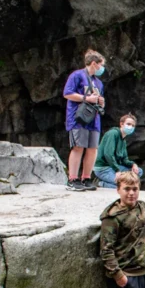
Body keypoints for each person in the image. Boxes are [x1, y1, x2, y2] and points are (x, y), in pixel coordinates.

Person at [63, 49, 106, 191]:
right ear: (94, 63)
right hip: (78, 117)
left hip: (94, 119)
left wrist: (100, 102)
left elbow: (98, 99)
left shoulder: (98, 83)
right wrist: (86, 98)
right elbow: (67, 93)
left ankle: (86, 177)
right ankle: (73, 179)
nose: (102, 68)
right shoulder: (77, 76)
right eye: (101, 65)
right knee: (78, 147)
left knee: (92, 148)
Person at [94, 114, 142, 189]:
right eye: (128, 124)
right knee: (122, 186)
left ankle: (110, 180)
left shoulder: (123, 140)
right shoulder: (113, 134)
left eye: (133, 126)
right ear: (121, 124)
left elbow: (124, 159)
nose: (131, 127)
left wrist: (133, 165)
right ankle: (100, 183)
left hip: (115, 167)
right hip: (104, 168)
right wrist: (117, 170)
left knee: (139, 171)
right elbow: (108, 154)